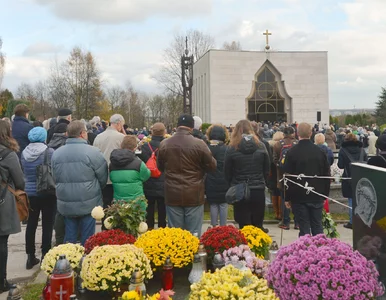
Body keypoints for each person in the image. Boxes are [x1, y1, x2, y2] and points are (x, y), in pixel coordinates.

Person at [158, 114, 216, 236]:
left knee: (175, 234)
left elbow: (160, 167)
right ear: (192, 128)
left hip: (172, 192)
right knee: (194, 233)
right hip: (194, 193)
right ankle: (193, 254)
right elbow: (212, 166)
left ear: (177, 126)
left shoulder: (164, 144)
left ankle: (176, 254)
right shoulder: (199, 144)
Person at [51, 121, 108, 245]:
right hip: (88, 199)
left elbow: (54, 176)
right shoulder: (93, 152)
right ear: (82, 134)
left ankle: (70, 260)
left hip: (66, 200)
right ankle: (86, 259)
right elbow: (103, 176)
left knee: (69, 235)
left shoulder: (56, 153)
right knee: (88, 238)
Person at [283, 123, 331, 237]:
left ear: (297, 134)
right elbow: (326, 175)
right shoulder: (320, 152)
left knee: (304, 228)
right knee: (317, 227)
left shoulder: (291, 152)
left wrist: (287, 197)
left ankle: (305, 252)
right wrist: (325, 195)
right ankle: (320, 252)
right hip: (316, 194)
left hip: (298, 196)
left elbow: (288, 177)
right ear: (311, 133)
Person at [224, 120, 270, 231]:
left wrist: (232, 184)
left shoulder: (232, 148)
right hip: (257, 189)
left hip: (240, 189)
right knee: (258, 226)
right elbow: (266, 169)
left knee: (243, 226)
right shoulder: (261, 146)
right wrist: (261, 180)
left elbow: (227, 171)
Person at [21, 127, 56, 269]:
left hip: (30, 193)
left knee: (31, 224)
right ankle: (45, 254)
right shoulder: (49, 151)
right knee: (47, 224)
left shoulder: (24, 153)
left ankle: (30, 256)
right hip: (47, 191)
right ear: (44, 137)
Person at [0, 120, 25, 293]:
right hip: (2, 202)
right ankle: (1, 281)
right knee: (1, 243)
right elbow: (20, 181)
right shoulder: (8, 154)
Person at [93, 114, 126, 213]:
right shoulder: (121, 137)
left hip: (102, 176)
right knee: (118, 206)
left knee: (106, 205)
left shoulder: (98, 137)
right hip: (117, 176)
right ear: (119, 123)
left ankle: (105, 226)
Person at [139, 123, 167, 229]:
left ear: (152, 132)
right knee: (162, 210)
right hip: (163, 181)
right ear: (164, 132)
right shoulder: (167, 145)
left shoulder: (145, 147)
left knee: (149, 210)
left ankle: (149, 230)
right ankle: (161, 231)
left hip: (149, 181)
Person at [338, 133, 368, 229]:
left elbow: (340, 165)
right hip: (361, 178)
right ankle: (363, 220)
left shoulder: (343, 150)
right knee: (362, 199)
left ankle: (352, 222)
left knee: (351, 200)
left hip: (348, 178)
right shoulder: (362, 150)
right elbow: (366, 162)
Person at [110, 136, 150, 205]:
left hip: (119, 202)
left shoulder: (112, 164)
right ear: (135, 148)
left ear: (121, 145)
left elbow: (111, 178)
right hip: (137, 202)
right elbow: (146, 175)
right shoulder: (139, 163)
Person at [273, 126, 298, 230]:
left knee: (284, 199)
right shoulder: (297, 144)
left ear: (283, 134)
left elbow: (274, 160)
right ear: (293, 134)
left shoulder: (278, 144)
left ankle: (286, 222)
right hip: (296, 176)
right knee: (296, 200)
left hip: (282, 176)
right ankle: (298, 223)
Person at [205, 124, 229, 227]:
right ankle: (223, 227)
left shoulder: (206, 148)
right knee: (223, 204)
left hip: (210, 180)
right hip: (224, 180)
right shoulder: (226, 149)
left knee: (213, 204)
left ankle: (213, 226)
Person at [268, 131, 284, 220]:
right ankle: (281, 213)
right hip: (280, 171)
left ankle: (276, 213)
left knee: (274, 192)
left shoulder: (270, 146)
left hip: (272, 171)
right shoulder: (282, 146)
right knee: (281, 192)